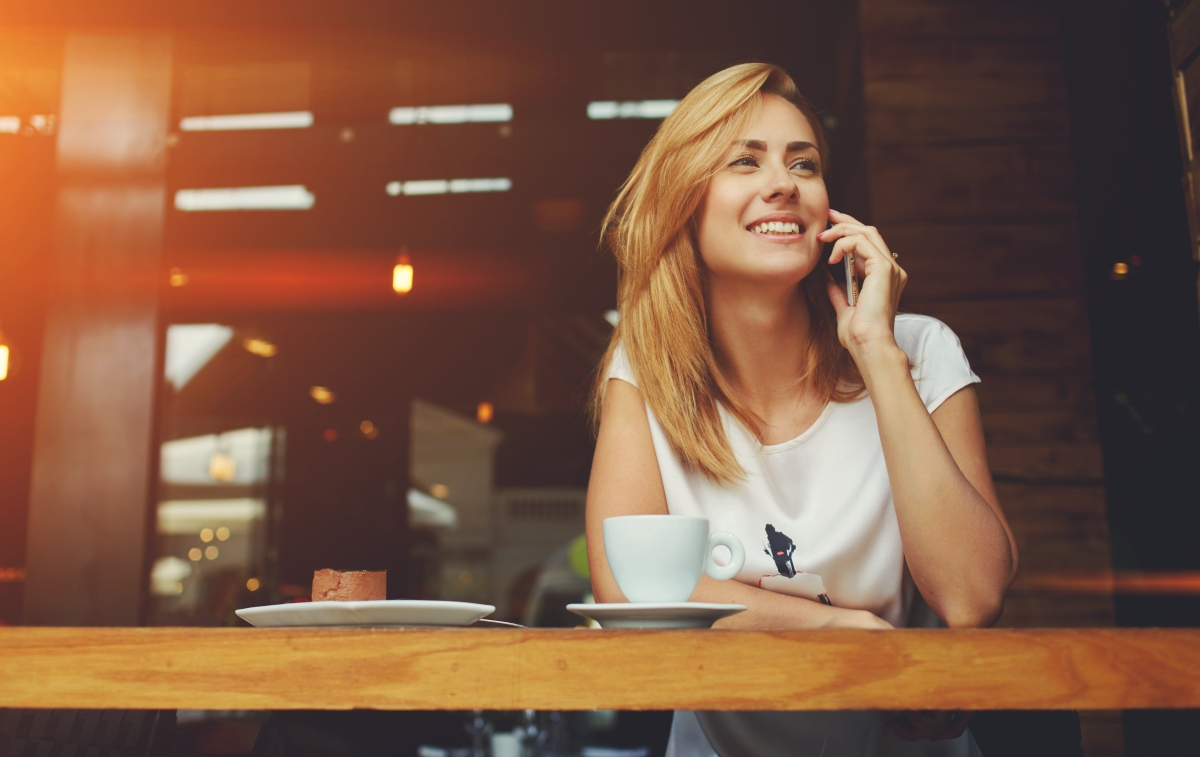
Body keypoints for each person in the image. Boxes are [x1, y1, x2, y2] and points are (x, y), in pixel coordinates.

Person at [584, 62, 1019, 757]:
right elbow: (629, 588)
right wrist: (838, 629)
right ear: (685, 203)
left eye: (803, 163)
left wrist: (877, 351)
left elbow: (972, 595)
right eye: (743, 161)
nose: (782, 183)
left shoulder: (921, 349)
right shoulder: (646, 367)